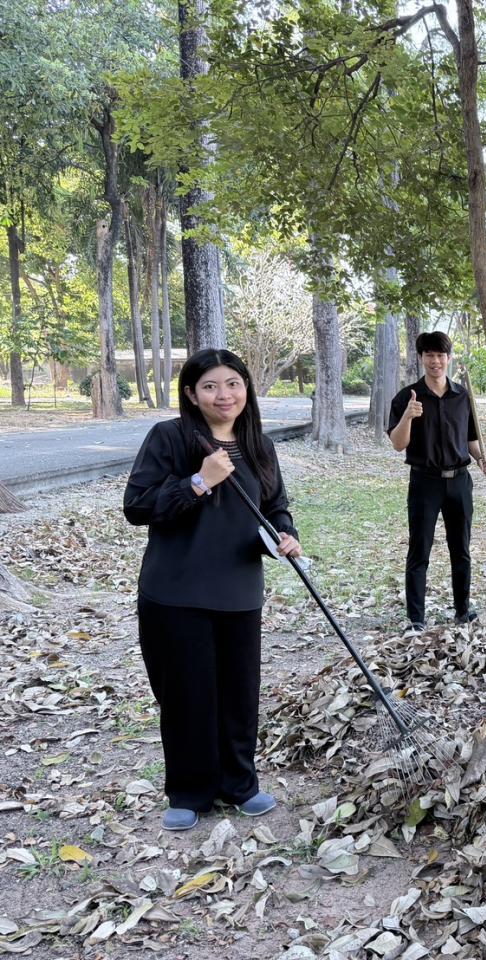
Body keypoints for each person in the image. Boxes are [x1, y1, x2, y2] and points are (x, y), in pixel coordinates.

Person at [124, 349, 302, 832]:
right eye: (210, 386)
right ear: (191, 393)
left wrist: (284, 535)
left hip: (239, 591)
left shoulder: (260, 446)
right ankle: (189, 791)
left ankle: (239, 784)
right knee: (188, 696)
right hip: (176, 593)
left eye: (233, 384)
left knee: (239, 695)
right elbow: (137, 505)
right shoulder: (170, 438)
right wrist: (200, 481)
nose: (224, 395)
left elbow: (276, 507)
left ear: (246, 388)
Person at [388, 331, 486, 628]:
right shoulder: (407, 397)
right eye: (429, 355)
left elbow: (470, 440)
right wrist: (408, 416)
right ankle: (416, 619)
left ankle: (462, 611)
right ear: (421, 358)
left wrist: (482, 458)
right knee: (419, 550)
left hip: (459, 481)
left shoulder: (462, 396)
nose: (435, 361)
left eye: (440, 355)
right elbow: (398, 444)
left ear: (449, 358)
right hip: (425, 483)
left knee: (461, 550)